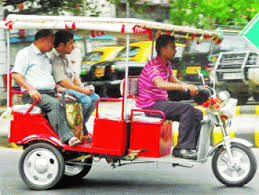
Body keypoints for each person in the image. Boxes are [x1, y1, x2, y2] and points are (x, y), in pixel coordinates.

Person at [136, 34, 203, 160]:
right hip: (150, 106)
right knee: (186, 108)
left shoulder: (166, 65)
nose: (175, 50)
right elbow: (161, 84)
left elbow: (175, 82)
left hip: (160, 103)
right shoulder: (153, 66)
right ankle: (181, 149)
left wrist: (191, 86)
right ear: (162, 49)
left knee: (197, 113)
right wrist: (187, 87)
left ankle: (192, 147)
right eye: (172, 47)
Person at [11, 29, 81, 146]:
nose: (53, 45)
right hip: (34, 95)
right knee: (55, 104)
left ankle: (80, 134)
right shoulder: (25, 53)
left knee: (75, 101)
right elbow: (16, 74)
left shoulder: (46, 57)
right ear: (43, 41)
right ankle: (67, 138)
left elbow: (47, 76)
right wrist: (30, 89)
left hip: (50, 93)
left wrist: (57, 87)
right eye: (51, 42)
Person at [49, 30, 100, 138]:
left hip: (70, 88)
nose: (73, 46)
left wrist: (83, 87)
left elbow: (74, 75)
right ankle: (74, 128)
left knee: (95, 97)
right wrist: (82, 91)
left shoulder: (66, 56)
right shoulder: (53, 57)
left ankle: (80, 126)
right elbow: (62, 81)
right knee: (85, 100)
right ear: (62, 45)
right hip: (60, 90)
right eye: (71, 43)